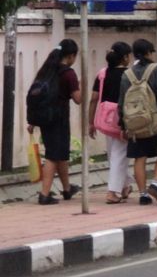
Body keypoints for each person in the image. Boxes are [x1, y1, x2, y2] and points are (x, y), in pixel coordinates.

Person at [118, 39, 157, 205]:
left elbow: (121, 102)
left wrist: (123, 123)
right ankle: (155, 184)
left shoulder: (127, 74)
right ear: (149, 52)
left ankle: (143, 195)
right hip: (155, 121)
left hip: (134, 123)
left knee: (139, 157)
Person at [27, 39, 82, 205]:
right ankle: (44, 194)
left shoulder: (47, 70)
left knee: (61, 154)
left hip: (45, 119)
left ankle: (67, 190)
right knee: (53, 155)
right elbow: (78, 99)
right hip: (59, 119)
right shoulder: (68, 74)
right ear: (71, 56)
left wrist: (33, 121)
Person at [88, 41, 134, 204]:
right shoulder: (130, 75)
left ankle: (125, 185)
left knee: (113, 154)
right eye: (129, 55)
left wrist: (90, 122)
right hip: (122, 119)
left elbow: (94, 99)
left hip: (105, 119)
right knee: (119, 155)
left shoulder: (103, 73)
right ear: (125, 58)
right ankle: (112, 192)